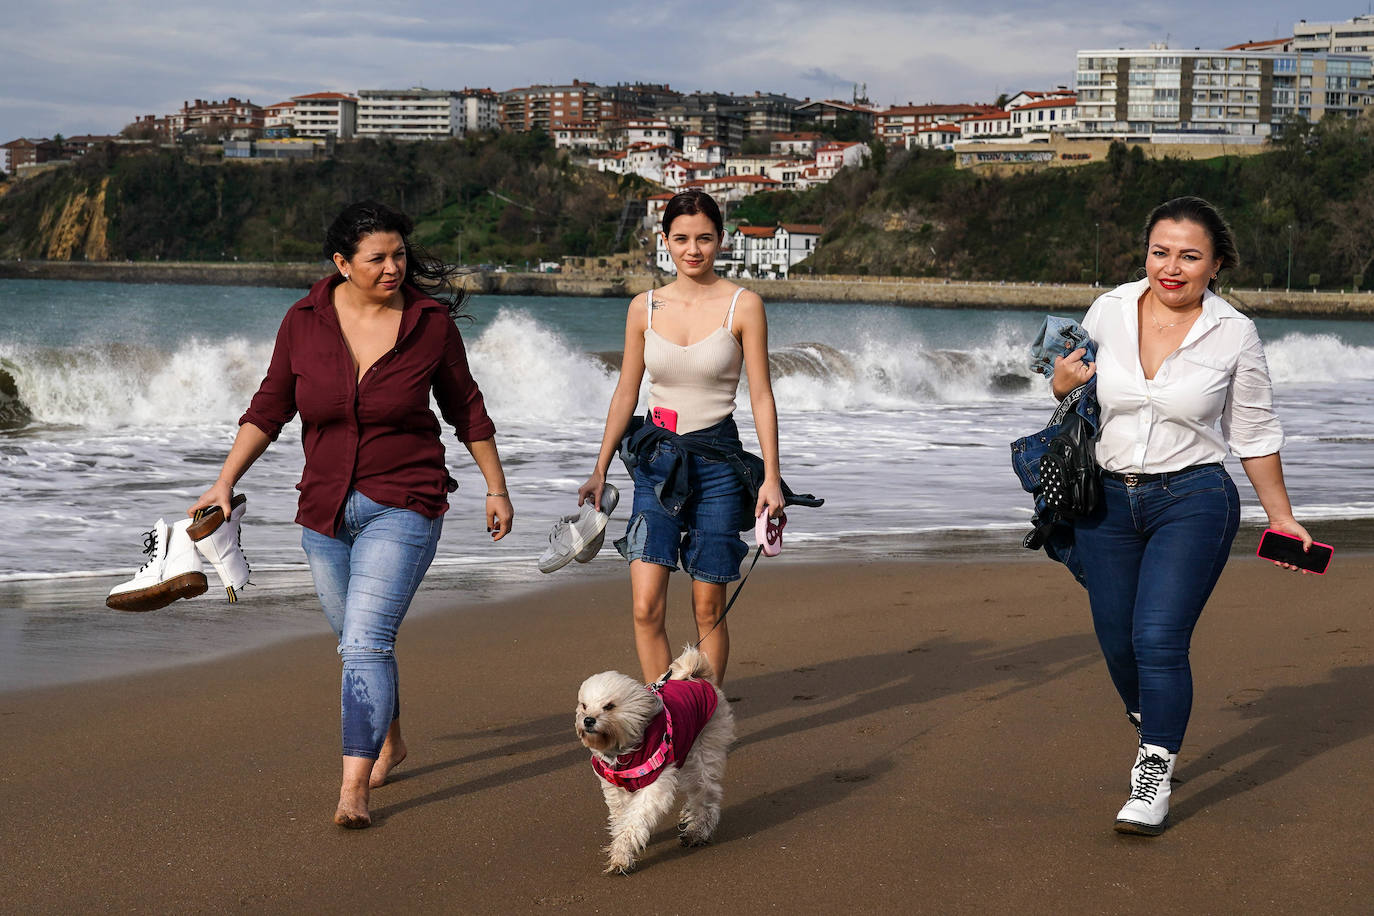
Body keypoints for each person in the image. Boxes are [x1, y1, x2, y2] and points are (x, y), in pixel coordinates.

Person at [190, 201, 513, 829]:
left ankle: (352, 789)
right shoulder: (304, 321)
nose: (395, 267)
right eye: (378, 258)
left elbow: (466, 409)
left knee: (365, 641)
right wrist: (223, 482)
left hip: (407, 500)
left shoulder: (429, 323)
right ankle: (390, 739)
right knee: (359, 645)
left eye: (400, 254)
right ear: (342, 263)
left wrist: (495, 487)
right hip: (324, 510)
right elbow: (268, 409)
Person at [1052, 196, 1312, 836]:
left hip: (1192, 499)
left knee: (1158, 638)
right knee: (1118, 644)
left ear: (1215, 265)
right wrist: (1061, 384)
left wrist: (1281, 516)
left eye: (1190, 256)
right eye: (1160, 252)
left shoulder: (1235, 333)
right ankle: (1156, 725)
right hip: (1105, 501)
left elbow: (1253, 430)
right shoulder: (1109, 309)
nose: (1172, 267)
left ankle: (1153, 771)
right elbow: (1076, 393)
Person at [579, 189, 785, 686]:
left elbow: (761, 395)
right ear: (664, 241)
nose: (693, 250)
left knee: (707, 606)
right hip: (656, 465)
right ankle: (664, 715)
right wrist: (600, 467)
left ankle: (705, 712)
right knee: (647, 606)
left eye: (705, 238)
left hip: (719, 466)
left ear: (721, 240)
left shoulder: (744, 305)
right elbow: (626, 391)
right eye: (682, 239)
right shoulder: (643, 308)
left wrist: (772, 479)